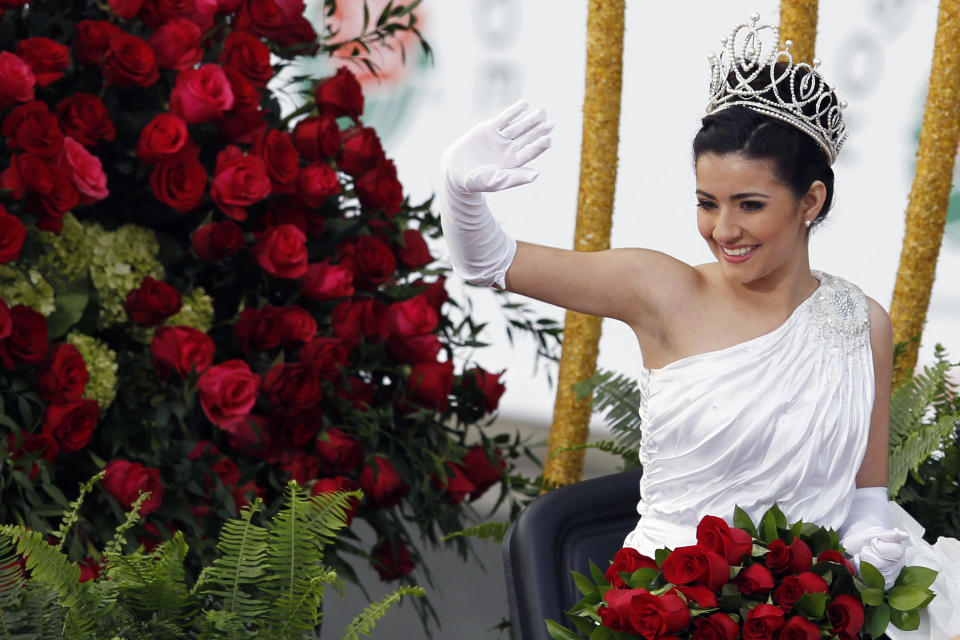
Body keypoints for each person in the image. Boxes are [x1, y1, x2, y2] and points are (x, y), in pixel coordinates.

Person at [438, 14, 959, 640]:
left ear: (811, 202)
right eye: (707, 203)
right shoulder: (661, 291)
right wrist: (460, 193)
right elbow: (490, 261)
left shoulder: (860, 322)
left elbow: (867, 493)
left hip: (813, 619)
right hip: (664, 615)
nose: (724, 230)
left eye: (750, 205)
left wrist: (871, 544)